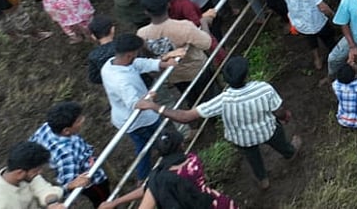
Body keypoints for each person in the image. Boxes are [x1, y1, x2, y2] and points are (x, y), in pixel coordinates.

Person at [138, 56, 301, 189]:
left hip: (241, 138)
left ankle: (263, 179)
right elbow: (278, 111)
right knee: (280, 142)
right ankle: (290, 153)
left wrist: (156, 107)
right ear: (246, 75)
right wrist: (284, 116)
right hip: (267, 130)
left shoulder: (223, 100)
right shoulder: (263, 88)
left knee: (252, 156)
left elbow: (186, 116)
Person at [100, 33, 184, 181]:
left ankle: (142, 176)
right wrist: (153, 104)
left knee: (143, 147)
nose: (138, 54)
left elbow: (139, 64)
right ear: (129, 54)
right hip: (139, 120)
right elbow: (134, 103)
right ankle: (172, 162)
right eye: (136, 52)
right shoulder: (122, 81)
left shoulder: (111, 64)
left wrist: (162, 64)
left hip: (124, 119)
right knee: (156, 140)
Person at [98, 129, 236, 209]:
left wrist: (115, 202)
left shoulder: (160, 179)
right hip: (214, 202)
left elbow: (148, 193)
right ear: (181, 144)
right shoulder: (193, 159)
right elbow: (149, 188)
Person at [29, 101, 110, 206]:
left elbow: (32, 144)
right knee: (103, 200)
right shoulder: (67, 154)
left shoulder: (47, 127)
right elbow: (69, 182)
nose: (83, 120)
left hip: (74, 160)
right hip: (91, 180)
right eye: (78, 120)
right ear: (66, 131)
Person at [0, 141, 86, 209]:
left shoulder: (26, 176)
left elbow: (43, 189)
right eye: (36, 170)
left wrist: (53, 203)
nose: (40, 173)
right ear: (19, 173)